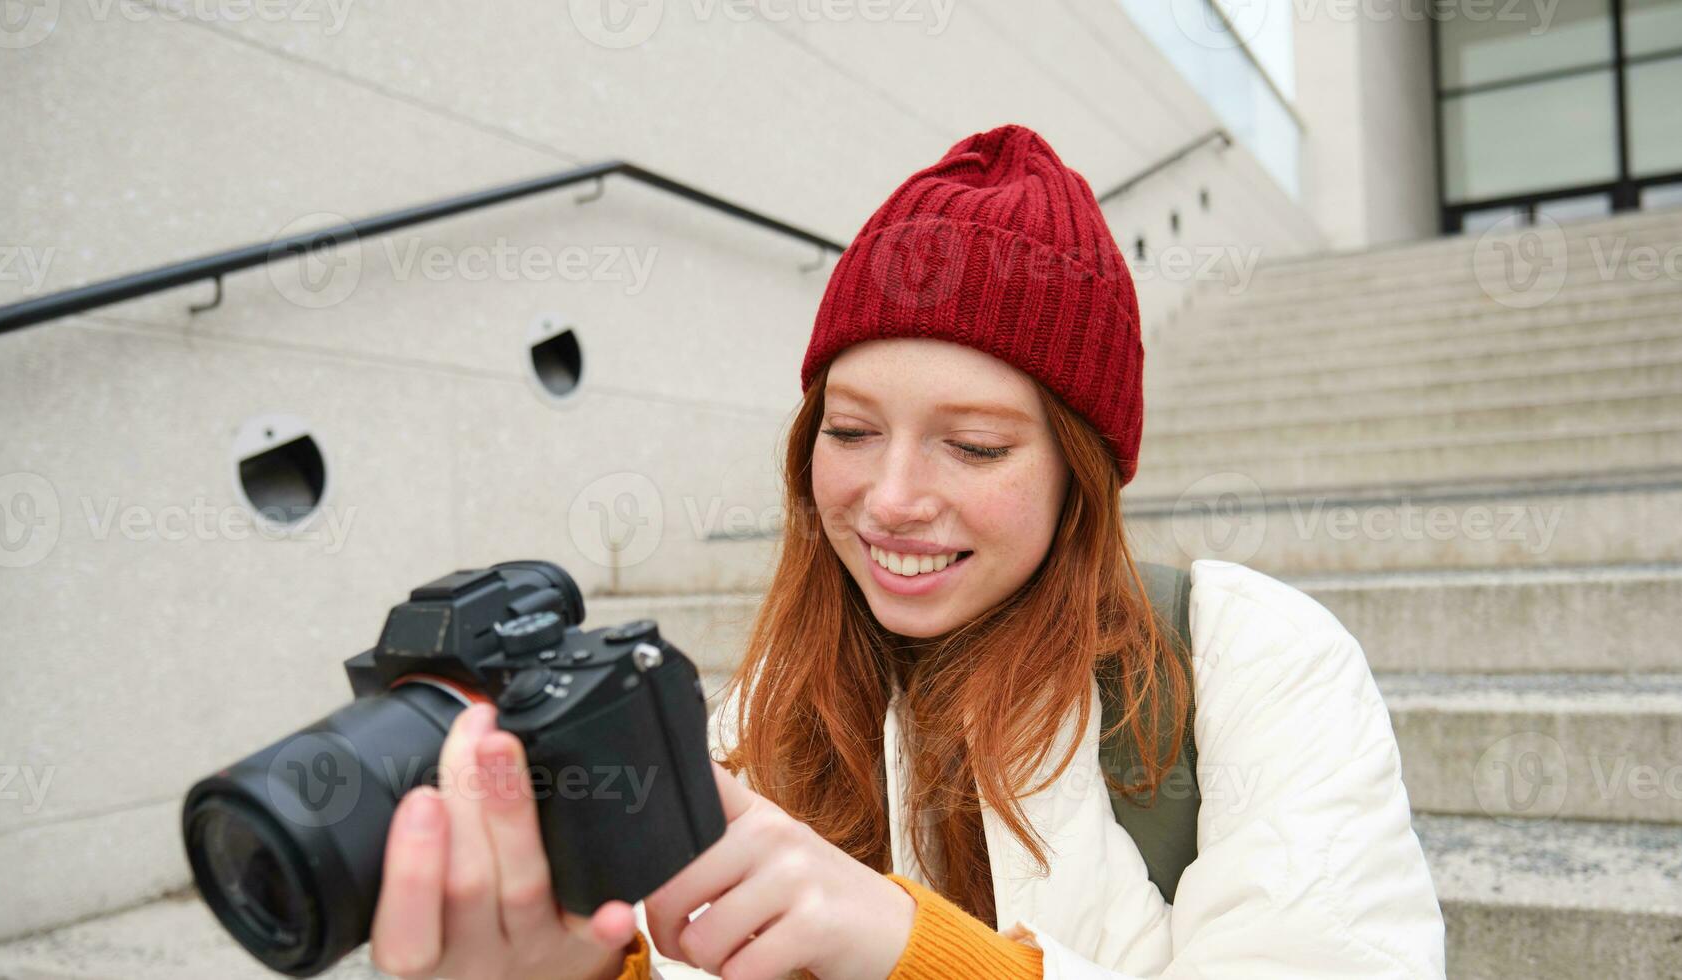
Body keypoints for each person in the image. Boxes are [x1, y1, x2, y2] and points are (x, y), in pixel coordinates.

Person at [364, 124, 1446, 980]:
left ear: (1083, 469)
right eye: (849, 430)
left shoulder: (1248, 659)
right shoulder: (751, 717)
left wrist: (902, 948)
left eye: (971, 444)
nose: (888, 499)